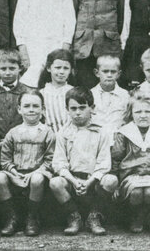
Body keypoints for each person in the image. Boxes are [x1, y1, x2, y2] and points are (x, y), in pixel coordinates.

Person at [50, 87, 113, 235]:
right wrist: (73, 181)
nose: (78, 112)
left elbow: (104, 163)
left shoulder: (102, 131)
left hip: (93, 181)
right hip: (72, 182)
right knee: (55, 182)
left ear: (92, 108)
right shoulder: (63, 133)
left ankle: (94, 216)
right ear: (67, 110)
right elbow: (59, 162)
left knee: (111, 180)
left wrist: (90, 181)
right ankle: (73, 216)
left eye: (82, 107)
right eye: (73, 108)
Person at [0, 90, 55, 237]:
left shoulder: (47, 132)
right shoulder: (13, 133)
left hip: (38, 173)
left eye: (35, 106)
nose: (31, 110)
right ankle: (11, 217)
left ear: (43, 109)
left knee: (37, 179)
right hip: (16, 173)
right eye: (27, 106)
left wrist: (36, 172)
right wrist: (14, 171)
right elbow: (5, 159)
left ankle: (32, 217)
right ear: (19, 109)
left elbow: (50, 159)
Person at [106, 95, 150, 233]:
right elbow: (117, 158)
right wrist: (116, 182)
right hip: (131, 176)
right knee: (136, 191)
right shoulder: (124, 132)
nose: (143, 115)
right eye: (138, 112)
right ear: (131, 114)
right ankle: (136, 215)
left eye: (147, 111)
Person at [13, 0, 75, 87]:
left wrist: (65, 47)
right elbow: (19, 21)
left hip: (56, 43)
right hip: (33, 44)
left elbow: (69, 20)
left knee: (53, 81)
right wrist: (23, 49)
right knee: (32, 82)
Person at [71, 0, 123, 87]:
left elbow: (120, 21)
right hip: (84, 48)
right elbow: (73, 19)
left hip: (108, 48)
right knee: (84, 86)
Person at [0, 48, 35, 157]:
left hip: (24, 144)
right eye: (3, 69)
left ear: (20, 68)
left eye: (12, 68)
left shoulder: (28, 92)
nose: (8, 73)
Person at [88, 55, 129, 134]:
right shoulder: (90, 94)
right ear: (97, 73)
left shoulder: (125, 96)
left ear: (119, 74)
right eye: (105, 71)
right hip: (95, 137)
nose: (109, 75)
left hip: (117, 137)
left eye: (113, 72)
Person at [40, 49, 75, 132]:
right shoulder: (42, 93)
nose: (61, 72)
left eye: (66, 68)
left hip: (70, 135)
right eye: (58, 68)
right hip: (48, 136)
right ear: (49, 68)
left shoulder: (73, 92)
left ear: (70, 70)